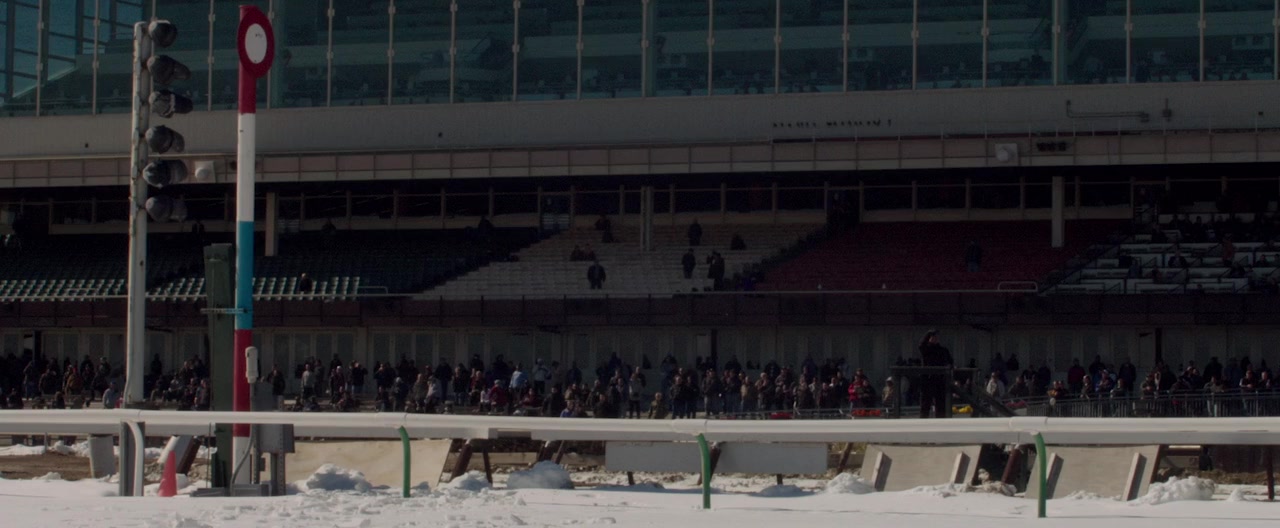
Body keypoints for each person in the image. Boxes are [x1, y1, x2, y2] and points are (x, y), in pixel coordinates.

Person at [918, 330, 953, 418]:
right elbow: (921, 345)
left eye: (935, 337)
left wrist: (949, 367)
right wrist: (928, 333)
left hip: (940, 379)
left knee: (940, 403)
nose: (934, 339)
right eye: (932, 337)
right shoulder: (926, 349)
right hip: (928, 379)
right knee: (925, 403)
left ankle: (940, 420)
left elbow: (950, 362)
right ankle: (923, 420)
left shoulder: (943, 350)